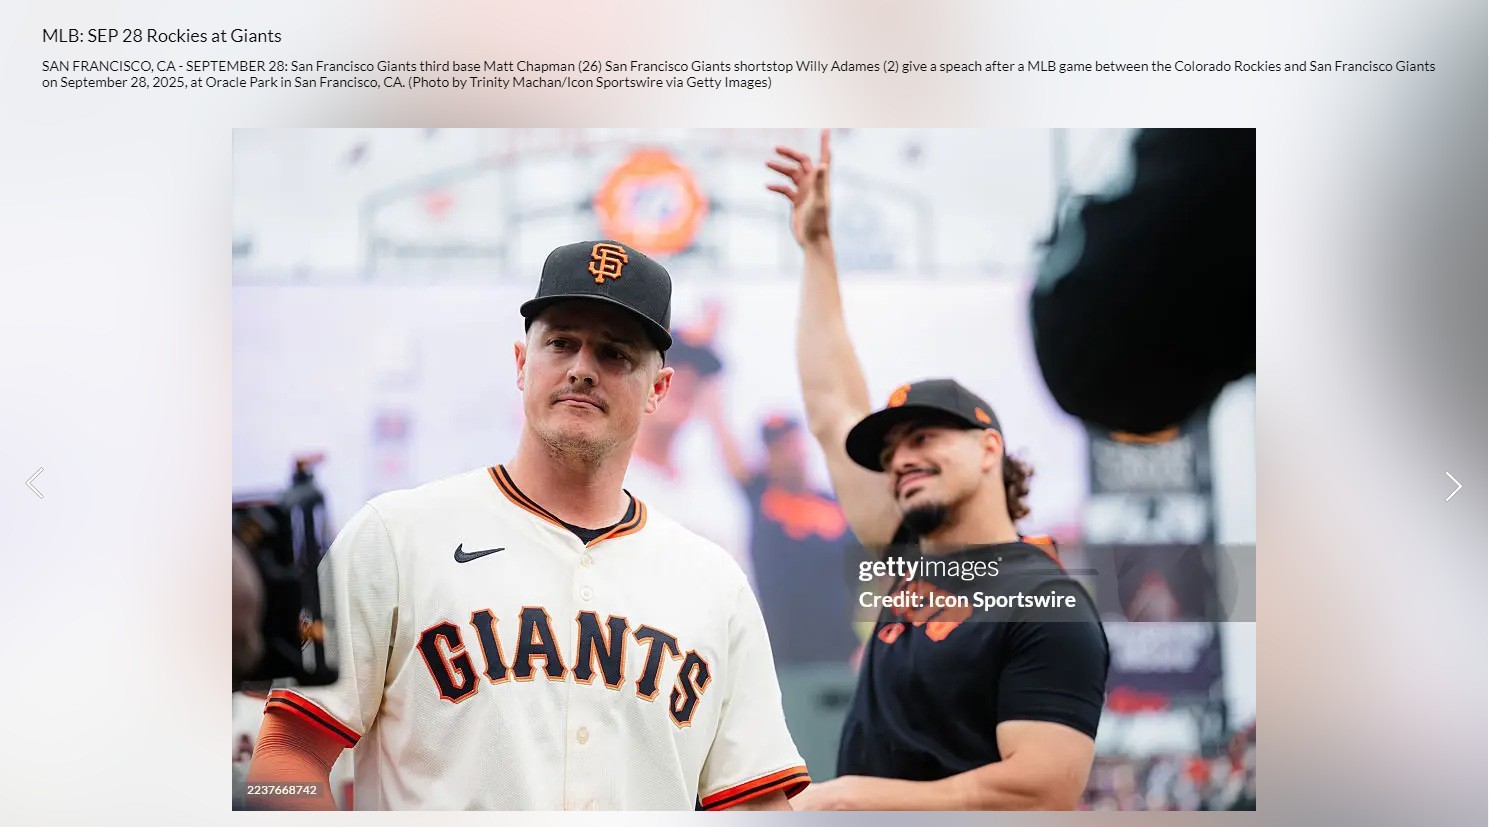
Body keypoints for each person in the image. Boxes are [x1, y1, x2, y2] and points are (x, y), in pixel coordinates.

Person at [247, 240, 809, 811]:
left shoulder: (716, 585)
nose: (583, 370)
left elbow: (754, 806)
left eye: (615, 355)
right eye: (562, 343)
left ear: (658, 391)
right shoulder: (390, 536)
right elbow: (283, 760)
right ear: (522, 363)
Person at [768, 132, 1108, 810]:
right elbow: (832, 406)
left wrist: (853, 800)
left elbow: (1039, 789)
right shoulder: (903, 556)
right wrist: (816, 248)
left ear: (989, 449)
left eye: (923, 436)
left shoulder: (1049, 600)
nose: (899, 460)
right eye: (890, 451)